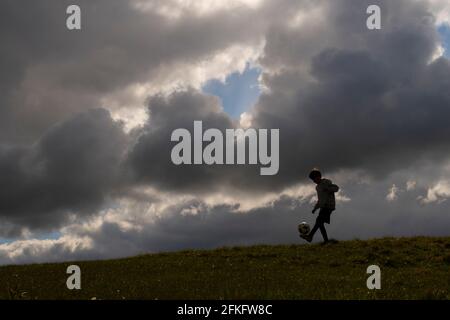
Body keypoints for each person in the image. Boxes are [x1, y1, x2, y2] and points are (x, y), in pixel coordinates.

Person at [301, 169, 339, 244]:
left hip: (329, 206)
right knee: (320, 224)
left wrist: (328, 189)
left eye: (314, 179)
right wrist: (315, 208)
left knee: (319, 221)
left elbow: (336, 188)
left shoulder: (326, 182)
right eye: (312, 180)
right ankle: (326, 241)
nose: (314, 181)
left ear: (319, 177)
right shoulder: (317, 187)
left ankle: (310, 236)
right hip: (323, 207)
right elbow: (320, 200)